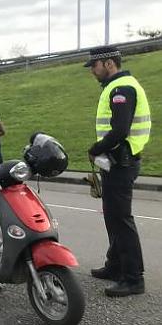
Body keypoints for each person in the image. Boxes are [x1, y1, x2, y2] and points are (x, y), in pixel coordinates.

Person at [85, 46, 151, 297]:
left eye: (94, 66)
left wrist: (96, 148)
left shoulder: (122, 88)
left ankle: (134, 278)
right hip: (114, 162)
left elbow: (120, 129)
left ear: (109, 63)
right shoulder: (117, 86)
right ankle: (115, 265)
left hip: (120, 162)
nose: (92, 71)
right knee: (112, 216)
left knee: (121, 220)